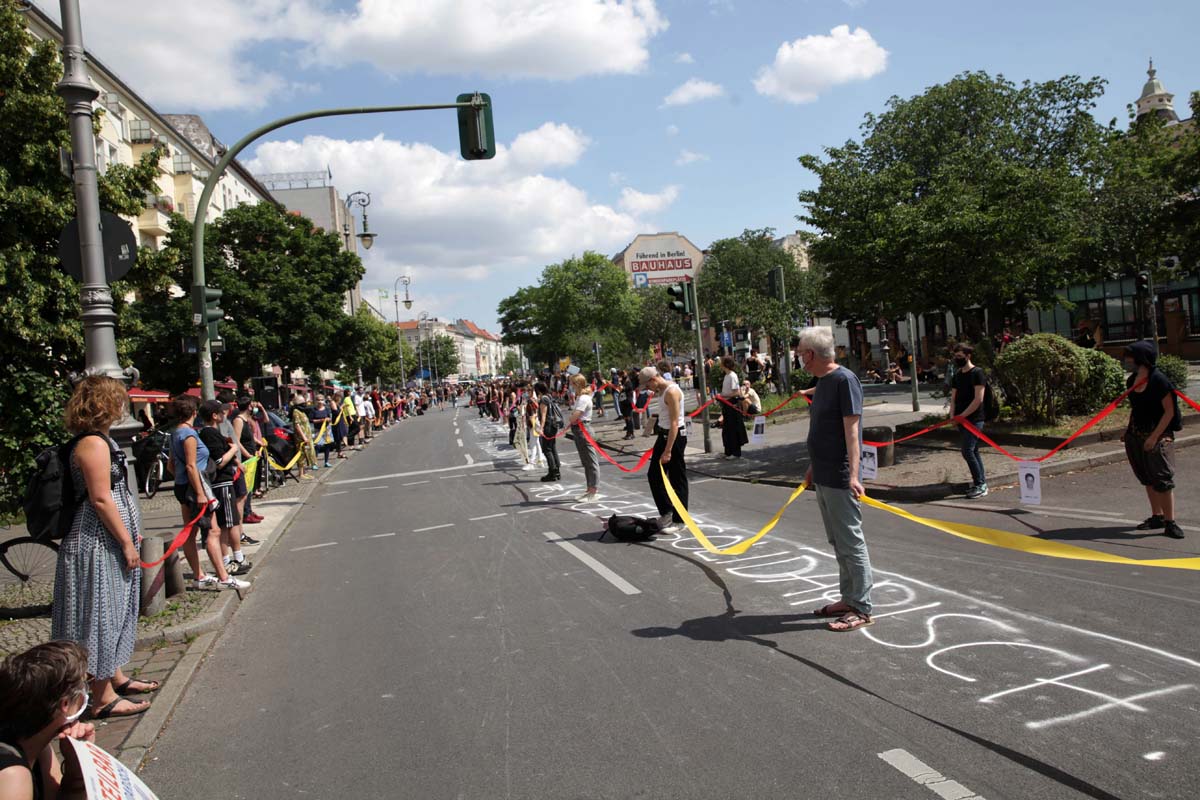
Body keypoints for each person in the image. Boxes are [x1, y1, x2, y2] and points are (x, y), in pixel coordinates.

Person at [51, 376, 157, 721]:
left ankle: (114, 676)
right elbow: (100, 498)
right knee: (99, 612)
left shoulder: (98, 441)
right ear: (105, 403)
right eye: (118, 400)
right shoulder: (93, 444)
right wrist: (126, 540)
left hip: (105, 537)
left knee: (113, 609)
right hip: (97, 541)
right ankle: (101, 698)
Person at [795, 327, 874, 633]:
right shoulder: (824, 382)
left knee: (851, 542)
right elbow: (823, 430)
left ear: (811, 355)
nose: (799, 357)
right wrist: (813, 467)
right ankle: (849, 597)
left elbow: (852, 432)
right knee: (837, 541)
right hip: (823, 474)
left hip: (840, 476)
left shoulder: (844, 380)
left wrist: (854, 475)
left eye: (801, 353)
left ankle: (861, 606)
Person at [168, 394, 249, 592]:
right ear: (193, 412)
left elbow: (172, 465)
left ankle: (199, 576)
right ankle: (223, 577)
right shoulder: (188, 435)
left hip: (182, 485)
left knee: (191, 531)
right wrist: (200, 492)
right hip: (196, 486)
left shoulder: (175, 433)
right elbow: (191, 465)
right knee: (213, 531)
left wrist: (184, 483)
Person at [0, 641, 99, 799]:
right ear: (65, 704)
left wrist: (77, 765)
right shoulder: (11, 776)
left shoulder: (36, 743)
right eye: (85, 686)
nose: (88, 693)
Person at [1122, 341, 1184, 539]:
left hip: (1158, 434)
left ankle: (1170, 522)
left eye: (1130, 356)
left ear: (1141, 358)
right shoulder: (1132, 381)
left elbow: (1169, 412)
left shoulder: (1159, 381)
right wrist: (1128, 430)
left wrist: (1154, 437)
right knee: (1147, 477)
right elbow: (1136, 409)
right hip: (1136, 434)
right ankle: (1156, 516)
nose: (1127, 360)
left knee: (1162, 479)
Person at [197, 400, 250, 576]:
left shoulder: (212, 432)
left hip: (226, 482)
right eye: (221, 412)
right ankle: (228, 560)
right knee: (227, 524)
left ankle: (237, 556)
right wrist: (233, 449)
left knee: (232, 521)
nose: (224, 415)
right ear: (214, 415)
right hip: (221, 483)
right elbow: (219, 461)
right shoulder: (209, 433)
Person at [641, 366, 687, 534]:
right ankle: (667, 512)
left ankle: (680, 520)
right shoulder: (662, 390)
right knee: (654, 475)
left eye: (647, 386)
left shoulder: (671, 392)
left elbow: (675, 423)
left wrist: (668, 451)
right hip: (663, 435)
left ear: (653, 379)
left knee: (677, 479)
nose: (648, 390)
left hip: (675, 437)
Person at [949, 343, 989, 499]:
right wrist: (953, 415)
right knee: (973, 450)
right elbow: (953, 398)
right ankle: (980, 482)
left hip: (974, 419)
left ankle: (980, 484)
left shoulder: (977, 373)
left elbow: (978, 399)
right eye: (955, 356)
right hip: (961, 419)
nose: (957, 359)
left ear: (968, 356)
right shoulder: (957, 375)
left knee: (967, 450)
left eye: (960, 356)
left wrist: (963, 416)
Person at [566, 373, 602, 502]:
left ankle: (593, 490)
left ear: (576, 384)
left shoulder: (583, 399)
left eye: (571, 383)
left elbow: (575, 415)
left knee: (591, 461)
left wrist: (571, 418)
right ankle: (589, 489)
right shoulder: (579, 397)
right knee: (585, 461)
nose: (570, 385)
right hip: (578, 430)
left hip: (583, 429)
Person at [719, 356, 747, 458]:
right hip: (726, 404)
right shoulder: (726, 376)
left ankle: (735, 452)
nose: (720, 365)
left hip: (732, 404)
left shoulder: (732, 376)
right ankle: (728, 451)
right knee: (727, 429)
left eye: (722, 363)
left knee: (733, 428)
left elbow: (736, 392)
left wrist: (723, 396)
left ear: (725, 364)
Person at [536, 382, 562, 483]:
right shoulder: (550, 396)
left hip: (548, 426)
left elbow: (543, 415)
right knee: (553, 448)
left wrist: (541, 429)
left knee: (547, 449)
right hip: (554, 425)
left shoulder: (544, 399)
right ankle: (557, 471)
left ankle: (552, 472)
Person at [290, 394, 316, 479]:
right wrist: (304, 437)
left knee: (307, 454)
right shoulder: (296, 412)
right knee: (301, 455)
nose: (304, 404)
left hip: (307, 436)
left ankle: (304, 472)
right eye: (302, 403)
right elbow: (297, 426)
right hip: (301, 438)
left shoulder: (303, 411)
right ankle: (301, 474)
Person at [311, 396, 334, 468]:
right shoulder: (313, 410)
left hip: (327, 430)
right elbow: (311, 420)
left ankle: (326, 462)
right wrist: (320, 420)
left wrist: (328, 419)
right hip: (318, 430)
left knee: (327, 445)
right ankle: (315, 463)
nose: (320, 401)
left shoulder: (326, 409)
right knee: (317, 445)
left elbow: (330, 418)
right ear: (316, 401)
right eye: (318, 400)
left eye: (321, 400)